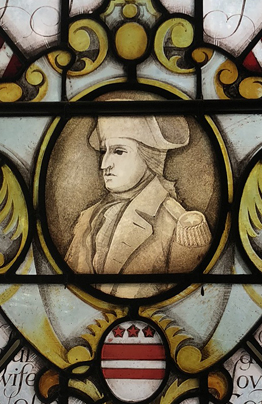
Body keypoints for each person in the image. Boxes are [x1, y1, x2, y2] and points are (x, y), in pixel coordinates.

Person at [63, 113, 211, 297]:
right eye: (104, 151)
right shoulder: (88, 218)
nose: (104, 164)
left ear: (150, 158)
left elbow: (189, 301)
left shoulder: (179, 226)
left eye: (119, 151)